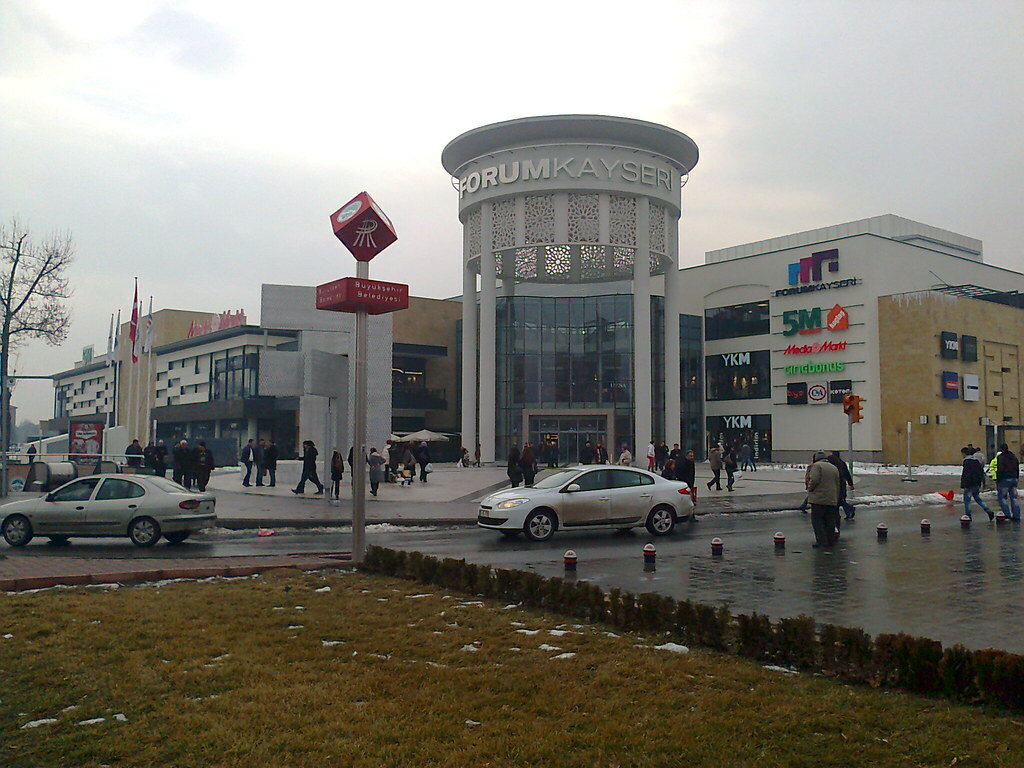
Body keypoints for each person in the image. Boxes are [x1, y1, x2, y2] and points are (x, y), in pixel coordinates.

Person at [806, 450, 841, 547]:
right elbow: (837, 484)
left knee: (817, 521)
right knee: (830, 521)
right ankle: (831, 540)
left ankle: (821, 541)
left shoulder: (817, 466)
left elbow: (815, 479)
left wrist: (810, 488)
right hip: (832, 499)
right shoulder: (833, 467)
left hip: (819, 498)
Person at [960, 446, 992, 520]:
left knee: (967, 500)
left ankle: (968, 515)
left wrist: (964, 484)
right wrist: (979, 482)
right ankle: (988, 511)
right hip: (976, 483)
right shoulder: (976, 461)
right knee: (978, 499)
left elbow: (966, 474)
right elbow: (980, 472)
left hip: (969, 484)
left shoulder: (967, 462)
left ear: (964, 453)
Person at [995, 443, 1021, 522]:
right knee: (1014, 497)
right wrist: (1016, 477)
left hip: (1004, 479)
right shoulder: (1014, 456)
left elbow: (1000, 469)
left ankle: (1007, 514)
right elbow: (1017, 467)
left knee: (1002, 497)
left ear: (1001, 449)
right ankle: (1016, 515)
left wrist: (998, 479)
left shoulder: (1001, 457)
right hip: (1013, 478)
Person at [828, 450, 856, 520]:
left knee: (839, 500)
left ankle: (849, 510)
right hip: (842, 484)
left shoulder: (833, 464)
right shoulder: (842, 463)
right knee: (840, 500)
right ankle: (847, 512)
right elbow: (847, 474)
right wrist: (851, 484)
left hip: (836, 484)